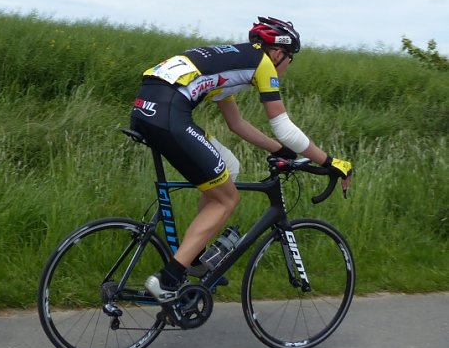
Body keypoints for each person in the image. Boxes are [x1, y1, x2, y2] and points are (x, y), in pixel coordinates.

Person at [130, 16, 353, 302]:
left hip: (147, 107)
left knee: (229, 166)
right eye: (290, 59)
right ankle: (169, 279)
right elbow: (283, 126)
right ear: (277, 53)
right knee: (227, 199)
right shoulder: (262, 64)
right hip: (168, 113)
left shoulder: (231, 61)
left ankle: (194, 254)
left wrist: (279, 150)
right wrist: (329, 161)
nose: (288, 66)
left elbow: (236, 123)